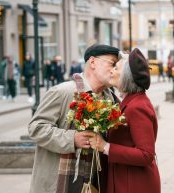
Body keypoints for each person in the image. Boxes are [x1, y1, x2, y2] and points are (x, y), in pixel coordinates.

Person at [28, 44, 119, 193]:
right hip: (58, 184)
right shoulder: (63, 92)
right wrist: (72, 139)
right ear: (93, 62)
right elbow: (36, 128)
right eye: (112, 63)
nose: (115, 69)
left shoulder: (112, 99)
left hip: (94, 184)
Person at [89, 48, 161, 193]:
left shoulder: (137, 107)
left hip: (135, 184)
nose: (111, 71)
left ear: (127, 77)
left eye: (116, 68)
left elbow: (146, 155)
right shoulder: (130, 101)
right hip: (126, 180)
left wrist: (106, 147)